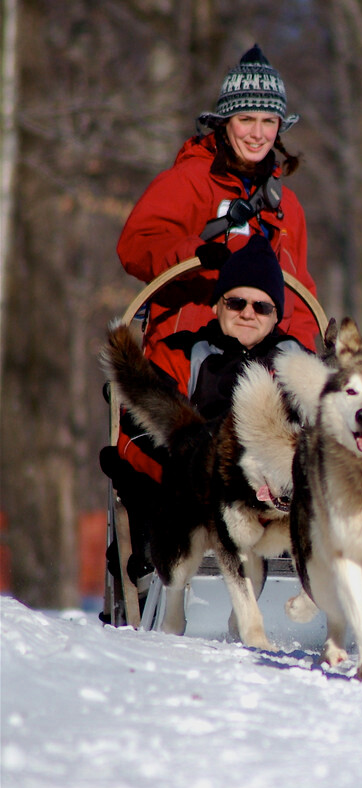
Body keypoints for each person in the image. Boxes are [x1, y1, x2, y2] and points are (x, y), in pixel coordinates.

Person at [101, 236, 306, 588]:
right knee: (136, 468)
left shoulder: (295, 360)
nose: (247, 313)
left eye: (262, 307)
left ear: (276, 317)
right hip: (192, 487)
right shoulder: (183, 352)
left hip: (273, 495)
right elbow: (140, 423)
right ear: (217, 305)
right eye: (237, 302)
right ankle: (160, 569)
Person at [116, 43, 319, 355]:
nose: (257, 133)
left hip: (265, 373)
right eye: (246, 119)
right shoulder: (189, 180)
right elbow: (136, 246)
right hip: (185, 362)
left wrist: (302, 364)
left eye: (268, 121)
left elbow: (301, 299)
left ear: (279, 128)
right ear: (225, 122)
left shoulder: (288, 206)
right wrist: (194, 254)